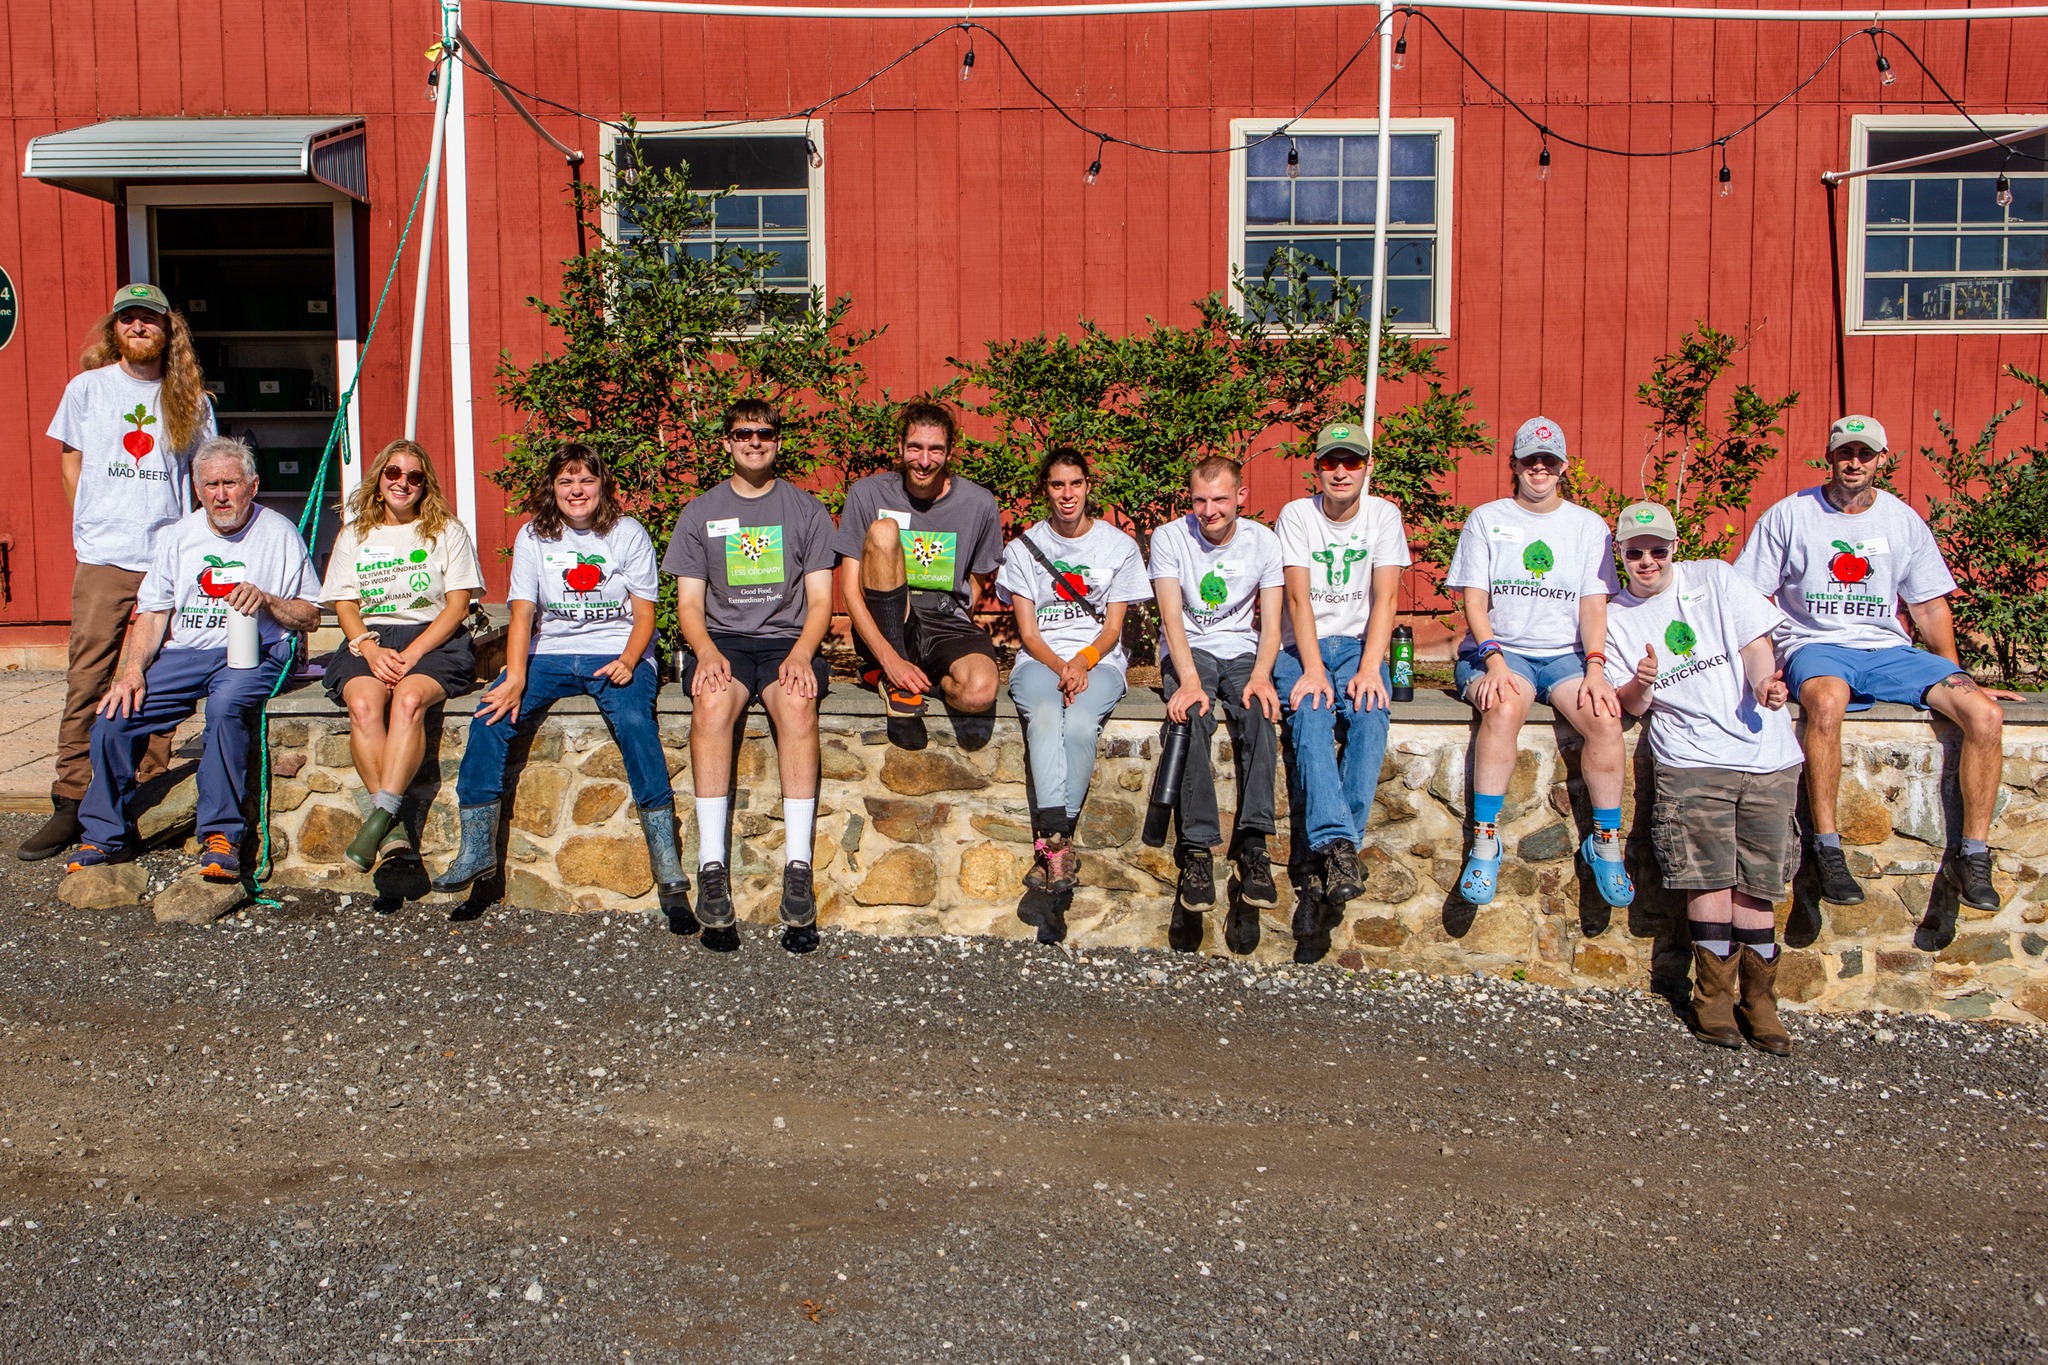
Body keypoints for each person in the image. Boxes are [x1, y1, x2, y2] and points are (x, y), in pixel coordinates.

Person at [1735, 415, 2017, 914]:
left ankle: (1972, 855)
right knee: (1826, 701)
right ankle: (1826, 847)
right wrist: (1760, 663)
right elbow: (1748, 592)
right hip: (1815, 643)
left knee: (1984, 715)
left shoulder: (1901, 519)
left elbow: (1928, 606)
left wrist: (1959, 677)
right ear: (1830, 456)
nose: (1854, 462)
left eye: (1865, 454)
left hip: (1889, 650)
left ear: (1882, 460)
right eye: (1845, 452)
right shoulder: (1790, 515)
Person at [432, 444, 686, 920]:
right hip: (547, 654)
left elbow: (646, 613)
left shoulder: (627, 534)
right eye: (567, 481)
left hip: (615, 651)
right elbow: (523, 610)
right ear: (553, 487)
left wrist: (631, 660)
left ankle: (665, 856)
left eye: (586, 480)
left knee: (635, 723)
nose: (577, 490)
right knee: (490, 716)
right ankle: (476, 848)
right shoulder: (534, 536)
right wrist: (515, 675)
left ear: (602, 485)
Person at [21, 284, 218, 862]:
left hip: (169, 556)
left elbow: (206, 475)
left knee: (159, 677)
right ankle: (71, 799)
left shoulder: (191, 400)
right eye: (127, 319)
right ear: (115, 329)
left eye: (149, 320)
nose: (138, 327)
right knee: (90, 675)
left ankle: (138, 791)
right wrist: (90, 522)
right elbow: (71, 459)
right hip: (106, 555)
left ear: (166, 330)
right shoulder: (88, 389)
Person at [66, 438, 319, 881]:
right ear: (197, 490)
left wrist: (267, 601)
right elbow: (153, 613)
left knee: (224, 709)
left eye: (231, 483)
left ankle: (221, 836)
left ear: (253, 486)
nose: (222, 494)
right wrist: (130, 671)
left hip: (257, 651)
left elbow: (311, 616)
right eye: (211, 485)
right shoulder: (176, 537)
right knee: (115, 714)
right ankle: (105, 834)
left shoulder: (279, 533)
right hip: (187, 652)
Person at [1606, 501, 1802, 1055]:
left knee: (1759, 883)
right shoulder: (1617, 616)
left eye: (1657, 549)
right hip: (1691, 756)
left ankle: (1760, 1001)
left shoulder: (1715, 576)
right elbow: (1631, 703)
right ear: (1621, 555)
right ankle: (1712, 998)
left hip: (1765, 752)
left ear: (1674, 548)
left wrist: (1766, 683)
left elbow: (1755, 643)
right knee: (1709, 877)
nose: (1648, 560)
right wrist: (1642, 681)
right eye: (1635, 551)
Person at [664, 401, 836, 950]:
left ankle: (798, 870)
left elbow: (821, 601)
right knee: (711, 703)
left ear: (778, 441)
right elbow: (689, 604)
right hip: (726, 642)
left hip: (788, 640)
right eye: (744, 433)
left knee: (797, 703)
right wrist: (706, 651)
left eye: (765, 433)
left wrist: (804, 654)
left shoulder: (806, 511)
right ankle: (713, 868)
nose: (754, 441)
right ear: (727, 442)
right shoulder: (700, 513)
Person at [1444, 416, 1633, 910]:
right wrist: (1494, 661)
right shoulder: (1488, 518)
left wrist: (1596, 666)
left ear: (1564, 466)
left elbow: (1594, 605)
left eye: (1549, 460)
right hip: (1501, 650)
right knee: (1504, 707)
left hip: (1566, 656)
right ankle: (1485, 840)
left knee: (1606, 718)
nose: (1539, 468)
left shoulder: (1588, 526)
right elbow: (1474, 600)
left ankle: (1605, 842)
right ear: (1515, 465)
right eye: (1530, 460)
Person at [318, 439, 484, 872]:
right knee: (362, 702)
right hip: (369, 635)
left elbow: (457, 606)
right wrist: (369, 650)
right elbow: (345, 604)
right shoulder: (355, 534)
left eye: (414, 476)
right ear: (379, 481)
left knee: (409, 700)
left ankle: (378, 817)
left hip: (433, 637)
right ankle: (391, 826)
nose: (403, 483)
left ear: (425, 484)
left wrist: (411, 654)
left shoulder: (447, 531)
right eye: (394, 473)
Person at [1273, 421, 1410, 936]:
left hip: (1356, 646)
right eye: (1330, 462)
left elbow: (1386, 599)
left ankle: (1329, 859)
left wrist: (1372, 666)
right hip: (1298, 645)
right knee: (1309, 712)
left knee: (1371, 711)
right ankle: (1339, 846)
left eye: (1351, 461)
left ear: (1367, 467)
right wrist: (1311, 669)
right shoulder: (1297, 515)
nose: (1340, 471)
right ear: (1317, 468)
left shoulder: (1383, 515)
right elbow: (1296, 598)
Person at [995, 448, 1152, 893]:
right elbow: (1027, 633)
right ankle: (1058, 846)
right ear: (1045, 490)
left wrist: (1082, 662)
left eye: (1075, 484)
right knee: (1044, 717)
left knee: (1081, 725)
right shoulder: (1023, 548)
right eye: (1057, 484)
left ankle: (1048, 845)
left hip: (1099, 662)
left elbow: (1113, 628)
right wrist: (1061, 666)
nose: (1067, 494)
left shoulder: (1117, 547)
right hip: (1039, 660)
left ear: (1088, 486)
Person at [1149, 456, 1285, 952]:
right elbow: (1171, 618)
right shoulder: (1169, 538)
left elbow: (1270, 626)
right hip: (1190, 652)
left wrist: (1264, 676)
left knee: (1259, 716)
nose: (1209, 511)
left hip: (1243, 652)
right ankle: (1198, 852)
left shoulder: (1264, 542)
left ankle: (1253, 846)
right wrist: (1188, 681)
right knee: (1192, 717)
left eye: (1220, 500)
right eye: (1200, 500)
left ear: (1240, 497)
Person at [833, 402, 1002, 749]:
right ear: (900, 447)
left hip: (945, 618)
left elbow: (978, 581)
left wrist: (953, 628)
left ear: (949, 451)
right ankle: (893, 675)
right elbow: (850, 591)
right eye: (915, 447)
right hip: (890, 617)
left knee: (979, 692)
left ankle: (920, 677)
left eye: (935, 449)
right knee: (884, 531)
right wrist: (890, 657)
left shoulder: (979, 503)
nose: (924, 461)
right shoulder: (868, 494)